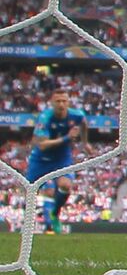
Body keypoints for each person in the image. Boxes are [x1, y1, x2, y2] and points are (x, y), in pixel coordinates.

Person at [27, 89, 88, 233]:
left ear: (68, 102)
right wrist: (67, 138)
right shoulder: (45, 118)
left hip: (62, 158)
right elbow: (41, 144)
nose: (61, 104)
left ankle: (55, 213)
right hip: (40, 159)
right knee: (29, 191)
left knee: (65, 185)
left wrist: (85, 143)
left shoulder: (76, 115)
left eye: (64, 101)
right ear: (52, 103)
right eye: (58, 101)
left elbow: (84, 123)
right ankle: (28, 223)